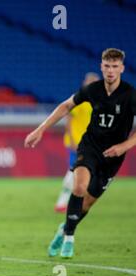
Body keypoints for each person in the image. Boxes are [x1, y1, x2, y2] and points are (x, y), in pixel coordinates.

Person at [25, 48, 136, 258]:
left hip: (113, 157)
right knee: (78, 186)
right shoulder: (92, 90)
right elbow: (66, 106)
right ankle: (69, 239)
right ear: (101, 67)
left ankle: (64, 229)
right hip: (90, 147)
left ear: (121, 68)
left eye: (115, 66)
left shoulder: (130, 95)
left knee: (87, 203)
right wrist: (40, 129)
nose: (110, 70)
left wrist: (124, 146)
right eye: (107, 66)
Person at [54, 72, 100, 213]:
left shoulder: (99, 101)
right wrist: (73, 140)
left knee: (83, 173)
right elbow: (68, 120)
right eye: (90, 82)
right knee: (73, 170)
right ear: (85, 83)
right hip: (77, 143)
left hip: (90, 144)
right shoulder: (80, 99)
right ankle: (62, 202)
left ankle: (71, 201)